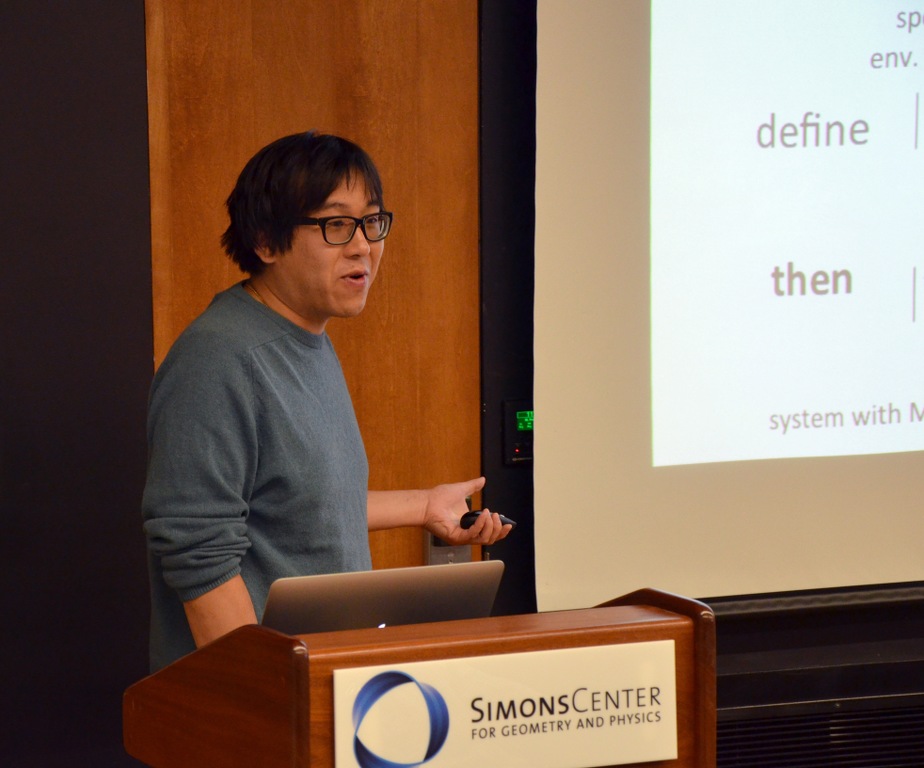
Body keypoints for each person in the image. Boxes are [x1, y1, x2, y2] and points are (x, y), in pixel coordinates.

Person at [141, 131, 511, 671]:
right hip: (255, 710)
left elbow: (296, 507)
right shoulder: (221, 359)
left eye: (372, 222)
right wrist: (266, 690)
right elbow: (197, 548)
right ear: (265, 241)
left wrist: (423, 506)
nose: (363, 245)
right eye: (336, 225)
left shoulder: (305, 338)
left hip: (327, 687)